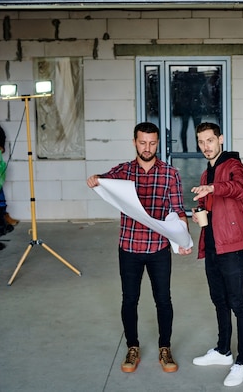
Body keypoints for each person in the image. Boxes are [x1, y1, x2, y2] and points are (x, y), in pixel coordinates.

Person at [86, 122, 192, 374]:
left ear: (158, 143)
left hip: (158, 249)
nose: (147, 148)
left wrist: (183, 240)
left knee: (163, 300)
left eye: (152, 143)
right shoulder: (122, 171)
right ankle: (132, 346)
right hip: (129, 247)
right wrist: (95, 179)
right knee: (130, 300)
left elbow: (177, 211)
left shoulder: (170, 173)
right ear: (134, 142)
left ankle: (164, 348)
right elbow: (103, 181)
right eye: (143, 142)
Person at [189, 122, 243, 387]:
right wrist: (198, 213)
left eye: (210, 140)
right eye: (201, 142)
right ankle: (224, 351)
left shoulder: (233, 165)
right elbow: (209, 205)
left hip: (233, 245)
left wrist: (214, 188)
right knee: (219, 299)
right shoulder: (206, 173)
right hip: (213, 244)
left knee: (238, 302)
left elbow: (238, 188)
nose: (206, 146)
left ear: (221, 139)